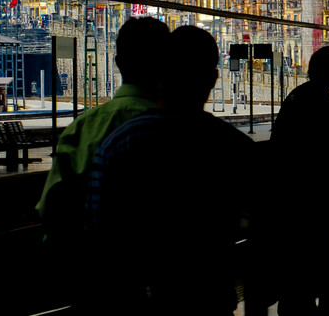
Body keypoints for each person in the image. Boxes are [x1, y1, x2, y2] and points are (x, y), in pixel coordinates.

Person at [86, 26, 257, 315]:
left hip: (137, 301)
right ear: (213, 79)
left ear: (160, 75)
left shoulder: (118, 144)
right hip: (210, 297)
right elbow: (260, 227)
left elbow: (97, 233)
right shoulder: (235, 147)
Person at [37, 17, 170, 266]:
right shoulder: (182, 128)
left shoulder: (82, 129)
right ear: (168, 64)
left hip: (97, 273)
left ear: (118, 63)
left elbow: (51, 209)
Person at [270, 46, 329, 315]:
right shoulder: (327, 106)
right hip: (320, 207)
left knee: (296, 291)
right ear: (328, 71)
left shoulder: (296, 98)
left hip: (291, 207)